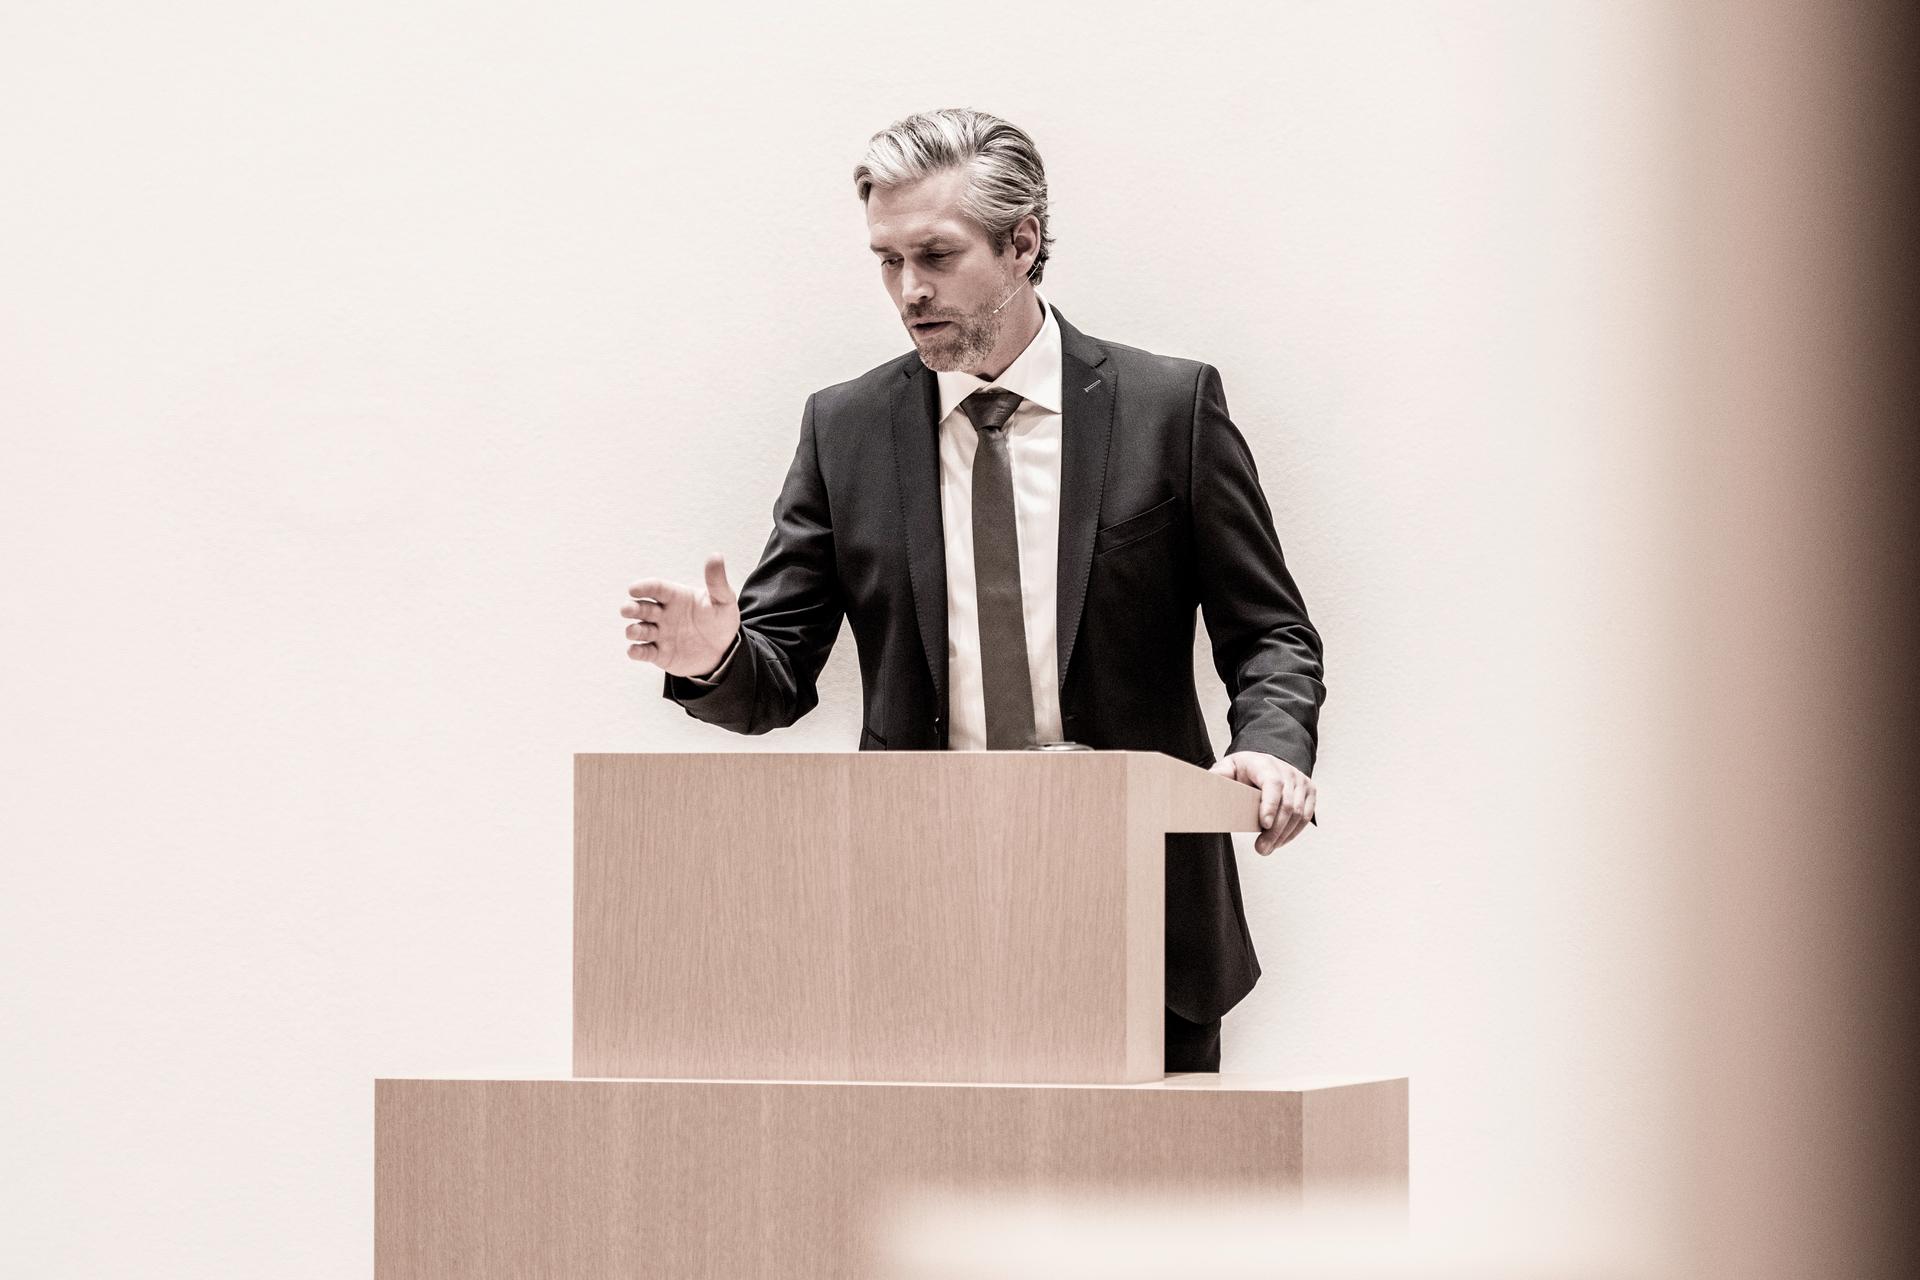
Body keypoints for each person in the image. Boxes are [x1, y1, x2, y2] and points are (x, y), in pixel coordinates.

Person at [621, 108, 1324, 1073]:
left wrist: (1268, 748)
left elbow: (1271, 632)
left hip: (1140, 899)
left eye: (937, 256)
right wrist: (716, 662)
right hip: (917, 903)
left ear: (1023, 244)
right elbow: (776, 680)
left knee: (1139, 1212)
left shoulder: (1169, 409)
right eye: (887, 261)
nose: (909, 291)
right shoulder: (847, 429)